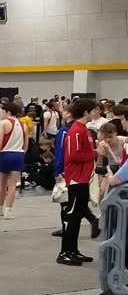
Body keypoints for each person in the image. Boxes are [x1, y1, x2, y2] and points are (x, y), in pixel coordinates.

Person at [58, 99, 97, 266]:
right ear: (86, 112)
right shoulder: (75, 131)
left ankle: (73, 250)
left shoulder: (85, 130)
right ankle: (65, 252)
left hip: (83, 178)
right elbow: (73, 156)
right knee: (72, 216)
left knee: (78, 215)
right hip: (76, 178)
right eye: (93, 110)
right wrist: (95, 153)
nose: (96, 113)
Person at [0, 102, 27, 219]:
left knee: (2, 184)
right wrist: (21, 154)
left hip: (5, 154)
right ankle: (8, 211)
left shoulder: (4, 123)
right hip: (18, 154)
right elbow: (26, 144)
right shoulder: (23, 124)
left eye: (3, 112)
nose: (2, 115)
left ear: (8, 112)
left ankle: (0, 208)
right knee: (12, 185)